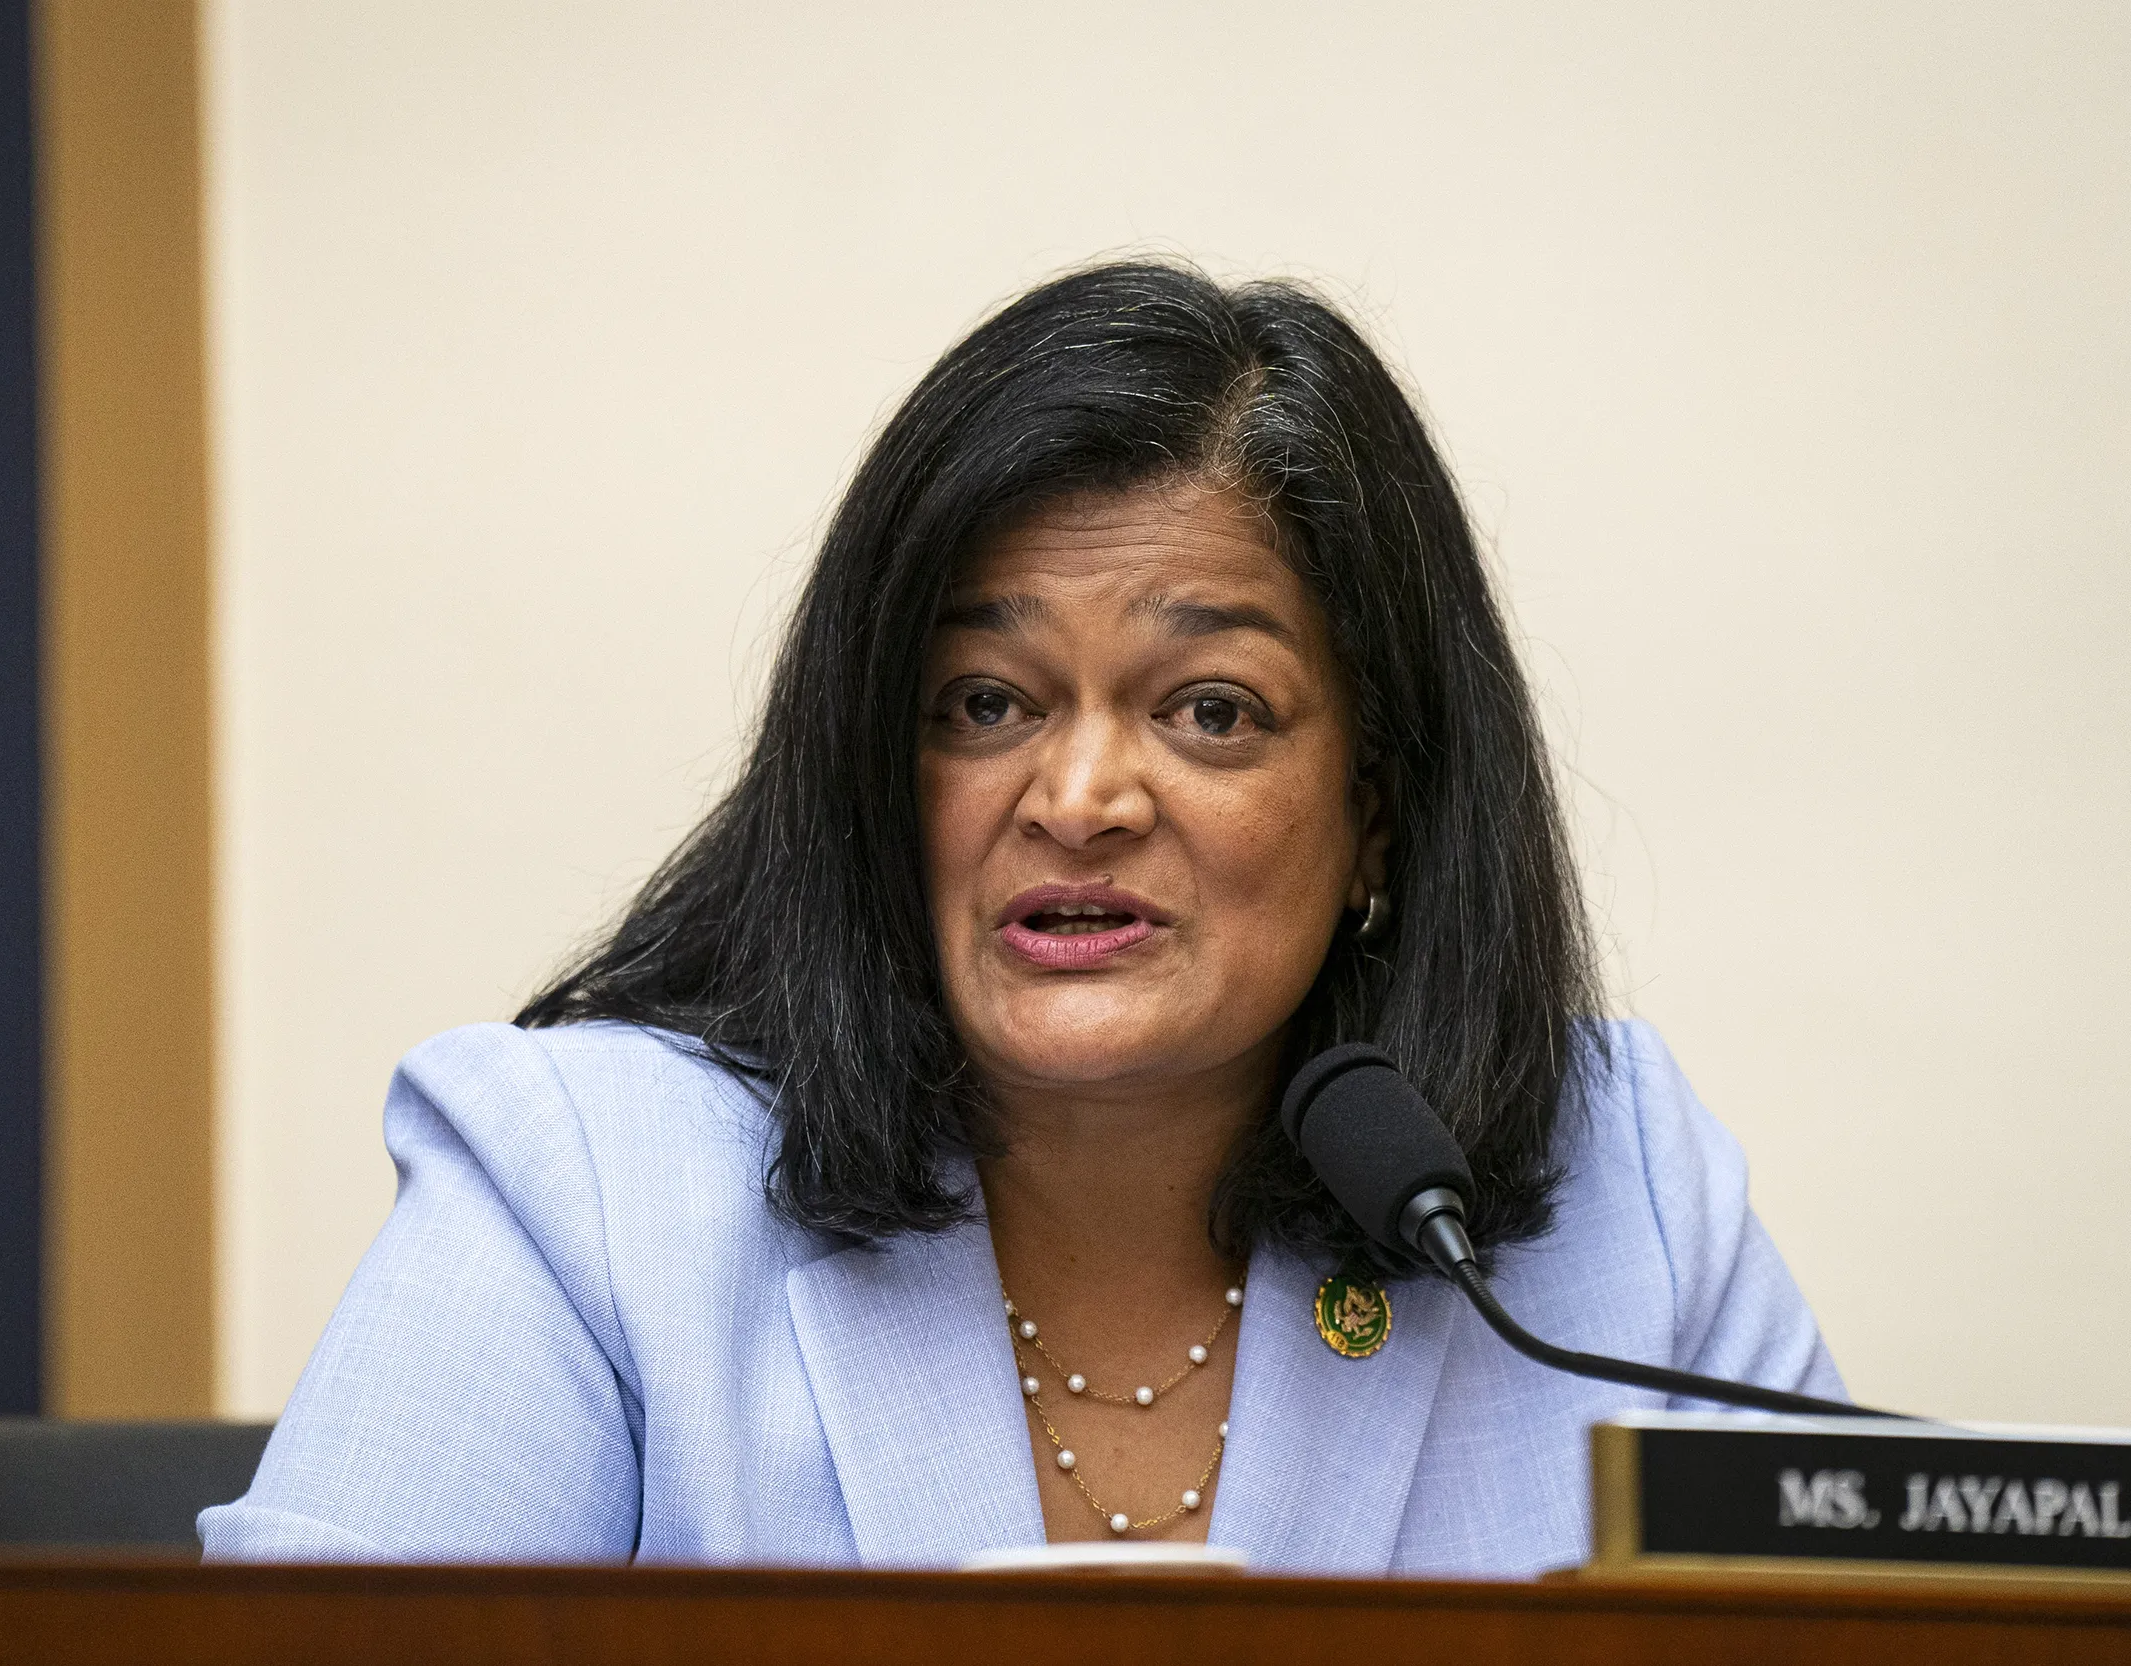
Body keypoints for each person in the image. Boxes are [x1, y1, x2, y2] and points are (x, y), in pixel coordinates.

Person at [199, 262, 1841, 1575]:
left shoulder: (1622, 1197)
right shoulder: (588, 1192)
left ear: (1380, 815)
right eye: (984, 701)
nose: (1079, 796)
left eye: (1211, 711)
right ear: (872, 771)